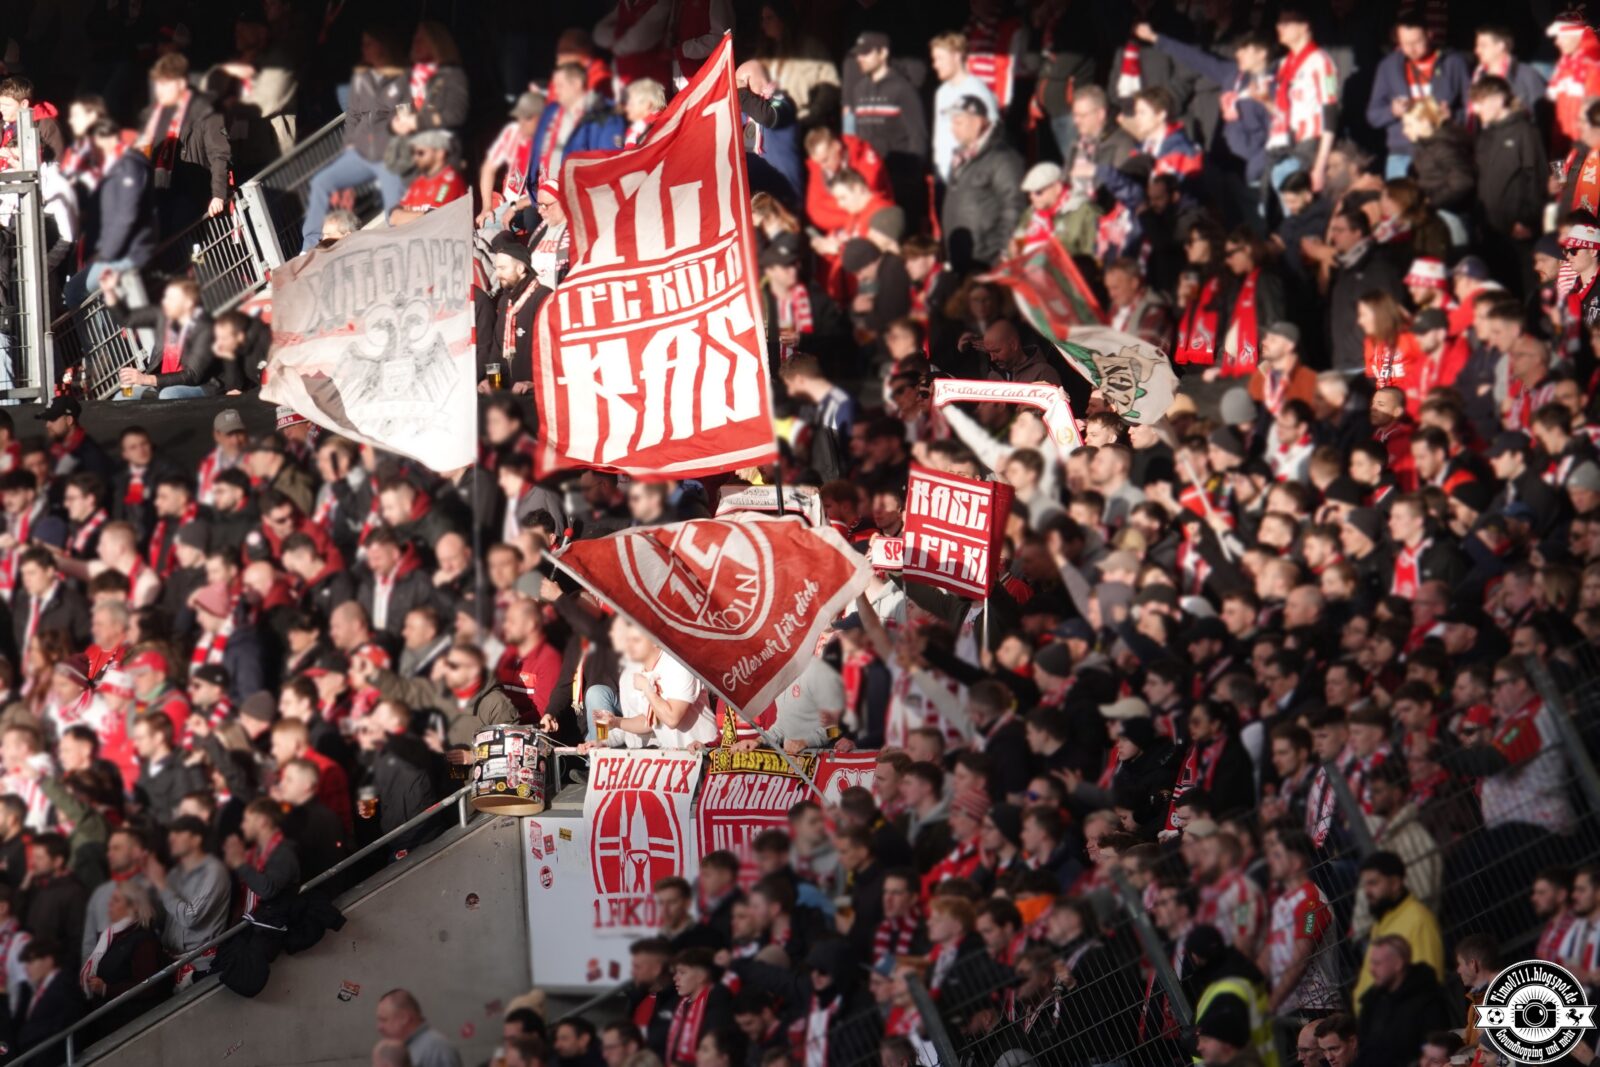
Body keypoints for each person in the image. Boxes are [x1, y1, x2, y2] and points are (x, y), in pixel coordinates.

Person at [102, 274, 215, 399]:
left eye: (171, 299)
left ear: (188, 303)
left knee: (168, 395)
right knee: (122, 397)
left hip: (198, 386)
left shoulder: (205, 328)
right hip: (161, 384)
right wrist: (109, 291)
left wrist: (146, 379)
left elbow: (193, 375)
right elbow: (127, 319)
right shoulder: (166, 318)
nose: (165, 302)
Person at [376, 988, 463, 1067]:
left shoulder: (436, 1050)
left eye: (384, 1020)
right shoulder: (409, 1048)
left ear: (404, 1018)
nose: (379, 1027)